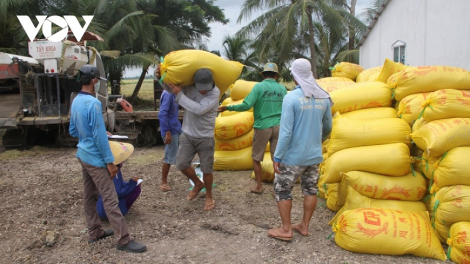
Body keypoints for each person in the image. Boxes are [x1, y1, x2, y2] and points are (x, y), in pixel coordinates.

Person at [69, 64, 147, 252]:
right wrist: (110, 162)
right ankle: (124, 240)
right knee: (110, 198)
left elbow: (73, 130)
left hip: (83, 155)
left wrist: (92, 133)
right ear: (95, 81)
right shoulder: (94, 104)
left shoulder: (76, 101)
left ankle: (94, 232)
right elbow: (99, 138)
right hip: (96, 159)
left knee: (89, 196)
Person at [268, 58, 333, 241]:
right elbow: (328, 127)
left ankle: (286, 229)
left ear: (295, 76)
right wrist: (315, 141)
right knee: (310, 190)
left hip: (292, 158)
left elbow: (286, 132)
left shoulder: (291, 98)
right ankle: (304, 226)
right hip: (314, 156)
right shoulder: (323, 97)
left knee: (282, 189)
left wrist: (278, 157)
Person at [156, 66, 219, 211]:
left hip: (205, 136)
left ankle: (209, 196)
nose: (203, 91)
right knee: (181, 164)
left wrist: (180, 95)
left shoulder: (215, 93)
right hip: (188, 134)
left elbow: (198, 109)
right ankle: (198, 183)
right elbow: (172, 89)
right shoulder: (189, 87)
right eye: (200, 88)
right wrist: (161, 78)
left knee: (207, 169)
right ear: (195, 83)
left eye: (206, 88)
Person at [218, 63, 287, 194]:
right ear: (276, 76)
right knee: (277, 158)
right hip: (279, 126)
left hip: (262, 127)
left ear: (263, 74)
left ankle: (259, 187)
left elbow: (246, 105)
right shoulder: (282, 89)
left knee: (256, 157)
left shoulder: (259, 87)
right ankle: (278, 188)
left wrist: (228, 107)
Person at [96, 141, 142, 219]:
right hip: (109, 210)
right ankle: (122, 211)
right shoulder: (114, 171)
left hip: (99, 207)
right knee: (136, 189)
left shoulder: (100, 168)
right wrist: (132, 183)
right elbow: (118, 192)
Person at [158, 89, 181, 192]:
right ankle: (163, 182)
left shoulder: (173, 93)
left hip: (176, 128)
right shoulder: (168, 94)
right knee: (169, 157)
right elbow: (162, 114)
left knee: (185, 152)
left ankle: (192, 177)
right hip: (171, 130)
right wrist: (167, 132)